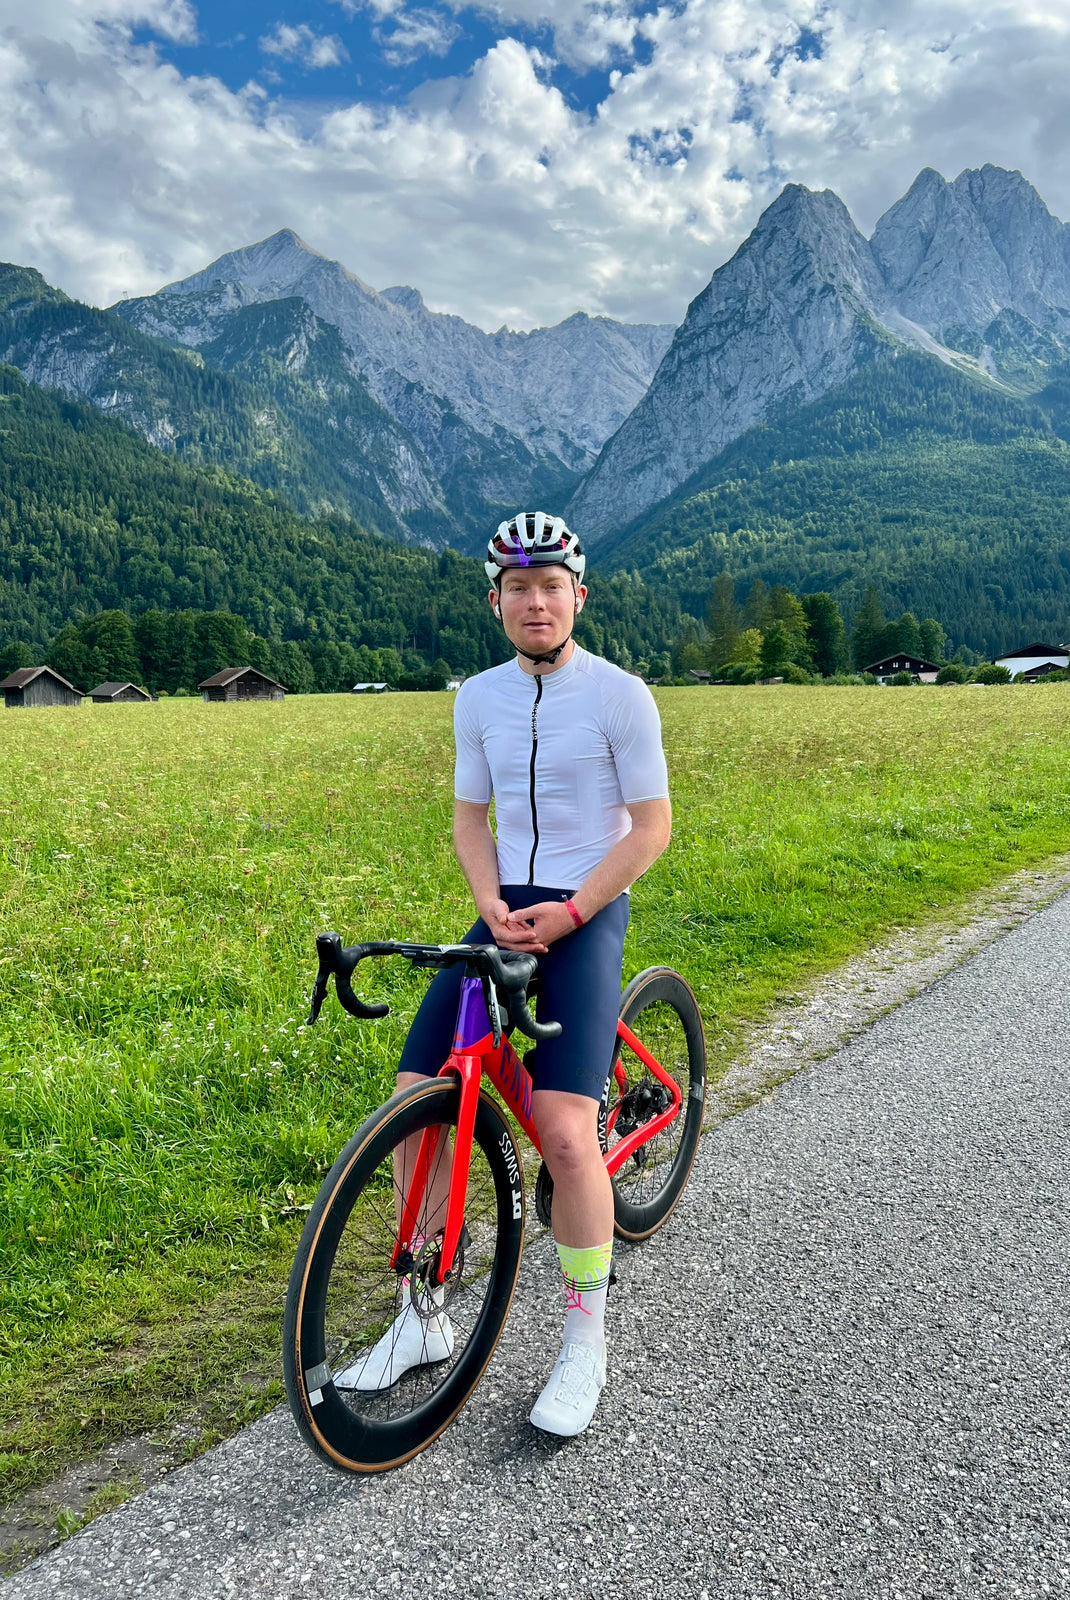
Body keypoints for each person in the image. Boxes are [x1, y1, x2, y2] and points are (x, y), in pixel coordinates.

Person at [337, 510, 671, 1437]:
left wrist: (569, 912)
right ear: (496, 602)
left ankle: (585, 1336)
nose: (535, 601)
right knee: (417, 1092)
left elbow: (650, 830)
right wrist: (487, 904)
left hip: (584, 907)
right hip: (501, 911)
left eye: (550, 586)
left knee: (564, 1133)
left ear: (578, 596)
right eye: (517, 588)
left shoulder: (620, 695)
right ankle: (422, 1320)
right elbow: (468, 819)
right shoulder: (476, 697)